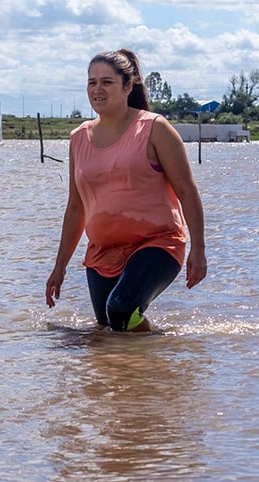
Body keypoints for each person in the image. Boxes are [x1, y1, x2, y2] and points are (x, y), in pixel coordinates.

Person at [45, 49, 207, 331]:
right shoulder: (79, 138)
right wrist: (59, 268)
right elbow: (75, 207)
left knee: (121, 308)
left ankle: (162, 363)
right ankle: (148, 360)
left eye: (107, 82)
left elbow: (187, 191)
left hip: (157, 242)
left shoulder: (155, 129)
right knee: (111, 329)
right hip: (102, 253)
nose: (97, 89)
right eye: (91, 82)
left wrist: (199, 249)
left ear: (127, 86)